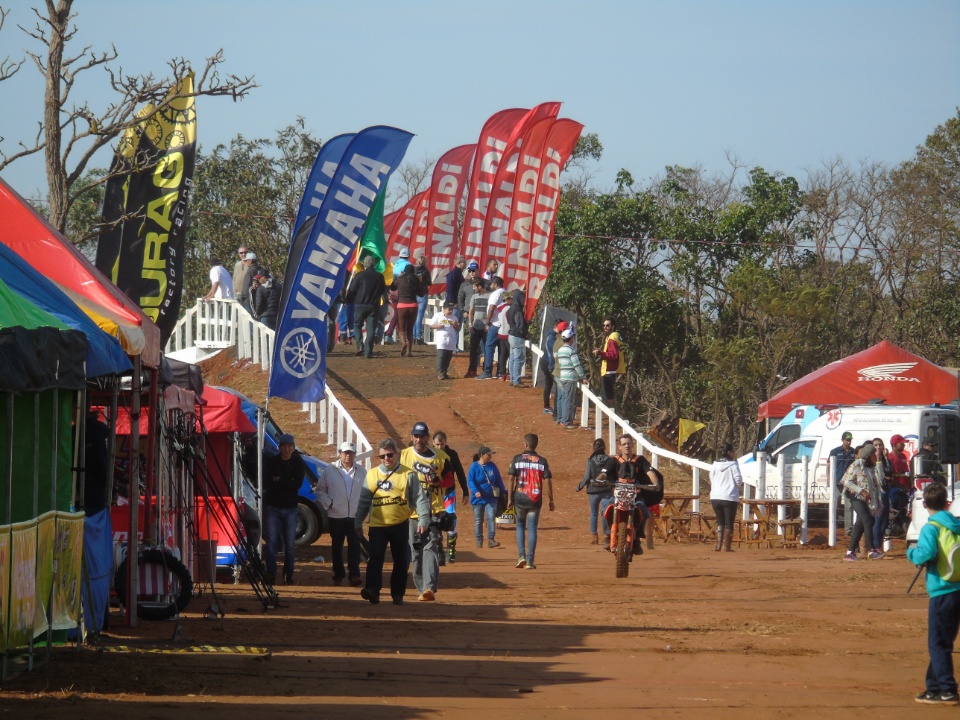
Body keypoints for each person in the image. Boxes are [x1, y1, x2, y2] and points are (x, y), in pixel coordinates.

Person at [355, 438, 430, 606]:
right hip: (377, 524)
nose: (386, 459)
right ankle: (373, 590)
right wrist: (358, 522)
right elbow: (364, 501)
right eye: (382, 456)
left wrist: (424, 519)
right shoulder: (372, 474)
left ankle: (397, 594)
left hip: (400, 524)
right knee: (375, 559)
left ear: (396, 454)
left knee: (401, 561)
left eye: (389, 455)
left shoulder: (408, 474)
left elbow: (420, 499)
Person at [907, 482, 960, 705]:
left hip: (942, 590)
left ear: (925, 503)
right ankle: (934, 687)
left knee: (937, 644)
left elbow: (924, 554)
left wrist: (911, 553)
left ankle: (947, 689)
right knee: (943, 642)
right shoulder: (955, 525)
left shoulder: (931, 528)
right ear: (947, 502)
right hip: (958, 588)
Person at [401, 421, 455, 602]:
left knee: (430, 547)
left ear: (427, 438)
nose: (419, 440)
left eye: (422, 436)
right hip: (412, 513)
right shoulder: (404, 456)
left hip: (434, 510)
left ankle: (429, 588)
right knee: (416, 552)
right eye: (416, 436)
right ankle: (420, 587)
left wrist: (437, 482)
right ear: (411, 437)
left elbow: (450, 480)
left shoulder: (441, 457)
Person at [316, 441, 365, 587]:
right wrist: (330, 504)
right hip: (336, 516)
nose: (348, 456)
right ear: (340, 453)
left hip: (354, 516)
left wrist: (362, 510)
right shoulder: (330, 470)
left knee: (354, 547)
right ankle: (338, 574)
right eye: (345, 453)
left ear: (355, 454)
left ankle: (354, 575)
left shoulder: (362, 471)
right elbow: (320, 490)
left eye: (351, 453)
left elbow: (367, 492)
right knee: (337, 547)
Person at [262, 433, 307, 585]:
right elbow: (269, 482)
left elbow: (297, 484)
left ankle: (289, 574)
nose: (287, 449)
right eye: (284, 446)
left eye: (289, 446)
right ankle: (271, 572)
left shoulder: (298, 463)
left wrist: (280, 480)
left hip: (290, 508)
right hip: (273, 507)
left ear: (293, 448)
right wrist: (287, 481)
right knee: (271, 541)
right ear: (280, 447)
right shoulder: (273, 462)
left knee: (290, 544)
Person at [508, 433, 554, 570]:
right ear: (536, 445)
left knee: (520, 526)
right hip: (535, 499)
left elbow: (511, 479)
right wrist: (551, 499)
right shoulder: (542, 461)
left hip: (520, 497)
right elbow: (548, 481)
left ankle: (521, 555)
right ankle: (530, 561)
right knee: (532, 528)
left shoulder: (517, 459)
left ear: (525, 444)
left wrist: (509, 498)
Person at [616, 434, 660, 549]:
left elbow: (650, 472)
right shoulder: (614, 461)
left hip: (636, 496)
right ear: (619, 446)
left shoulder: (640, 460)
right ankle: (607, 535)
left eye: (629, 443)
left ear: (633, 445)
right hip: (617, 496)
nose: (627, 446)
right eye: (624, 444)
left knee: (643, 510)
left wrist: (655, 483)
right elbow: (605, 473)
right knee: (606, 508)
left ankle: (638, 535)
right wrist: (600, 479)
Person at [842, 443, 884, 561]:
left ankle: (850, 552)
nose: (877, 455)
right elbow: (847, 481)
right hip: (855, 497)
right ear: (869, 455)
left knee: (860, 524)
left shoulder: (870, 468)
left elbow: (880, 479)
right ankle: (872, 551)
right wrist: (862, 491)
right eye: (875, 454)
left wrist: (879, 462)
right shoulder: (856, 465)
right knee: (868, 520)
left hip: (865, 499)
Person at [433, 430, 469, 563]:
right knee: (434, 519)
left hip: (449, 492)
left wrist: (465, 492)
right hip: (434, 494)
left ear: (445, 443)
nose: (439, 447)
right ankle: (437, 548)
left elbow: (460, 473)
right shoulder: (429, 454)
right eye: (437, 444)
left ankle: (451, 550)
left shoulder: (452, 454)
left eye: (441, 444)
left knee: (450, 519)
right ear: (433, 443)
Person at [576, 438, 618, 545]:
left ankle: (594, 536)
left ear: (593, 448)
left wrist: (580, 486)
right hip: (606, 489)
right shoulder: (609, 460)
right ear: (604, 447)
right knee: (605, 513)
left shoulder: (590, 461)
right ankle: (607, 534)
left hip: (593, 490)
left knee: (594, 513)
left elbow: (586, 477)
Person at [346, 256, 386, 358]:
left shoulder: (359, 275)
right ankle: (368, 351)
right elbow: (382, 291)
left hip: (359, 305)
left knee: (357, 325)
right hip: (373, 306)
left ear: (365, 265)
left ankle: (360, 346)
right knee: (371, 329)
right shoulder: (380, 276)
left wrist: (348, 300)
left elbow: (352, 290)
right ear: (374, 265)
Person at [468, 445, 507, 549]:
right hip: (478, 499)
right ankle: (479, 541)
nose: (490, 456)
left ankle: (491, 539)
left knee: (491, 517)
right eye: (488, 454)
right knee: (478, 520)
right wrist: (475, 491)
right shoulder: (474, 467)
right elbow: (470, 481)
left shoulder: (492, 466)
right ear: (482, 455)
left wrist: (503, 492)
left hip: (491, 498)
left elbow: (498, 480)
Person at [710, 443, 743, 552]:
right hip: (729, 496)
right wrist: (737, 487)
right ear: (729, 453)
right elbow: (738, 479)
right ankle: (727, 546)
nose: (735, 454)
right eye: (734, 451)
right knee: (729, 522)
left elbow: (711, 478)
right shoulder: (733, 465)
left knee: (720, 521)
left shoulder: (714, 464)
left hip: (715, 496)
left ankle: (719, 545)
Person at [555, 327, 587, 428]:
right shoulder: (571, 350)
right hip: (570, 378)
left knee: (564, 398)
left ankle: (562, 419)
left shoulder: (560, 350)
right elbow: (577, 365)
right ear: (571, 338)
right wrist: (583, 377)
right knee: (569, 400)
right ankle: (566, 422)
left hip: (562, 377)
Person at [593, 316, 625, 412]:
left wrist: (600, 353)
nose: (605, 327)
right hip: (613, 369)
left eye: (607, 325)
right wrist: (602, 352)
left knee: (608, 397)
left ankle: (611, 418)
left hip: (609, 370)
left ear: (613, 326)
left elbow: (614, 355)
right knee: (609, 395)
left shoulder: (612, 338)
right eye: (604, 325)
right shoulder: (617, 336)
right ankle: (612, 417)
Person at [829, 431, 857, 535]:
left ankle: (848, 529)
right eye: (847, 440)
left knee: (849, 505)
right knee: (835, 505)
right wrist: (829, 478)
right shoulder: (835, 451)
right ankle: (833, 527)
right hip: (836, 482)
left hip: (848, 483)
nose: (849, 442)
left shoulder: (853, 452)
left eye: (850, 440)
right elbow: (829, 465)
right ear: (842, 440)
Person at [478, 276, 504, 379]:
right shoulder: (506, 293)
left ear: (496, 284)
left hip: (495, 323)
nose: (490, 286)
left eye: (492, 284)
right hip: (504, 325)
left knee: (489, 347)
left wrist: (488, 321)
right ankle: (500, 372)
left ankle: (487, 371)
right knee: (502, 349)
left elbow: (492, 308)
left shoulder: (495, 294)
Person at [393, 263, 422, 357]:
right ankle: (409, 352)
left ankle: (403, 343)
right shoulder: (415, 280)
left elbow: (392, 287)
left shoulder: (400, 279)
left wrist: (398, 276)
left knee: (401, 329)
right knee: (410, 329)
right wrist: (420, 281)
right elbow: (421, 293)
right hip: (413, 305)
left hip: (402, 305)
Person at [538, 320, 566, 415]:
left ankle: (547, 407)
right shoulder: (552, 338)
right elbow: (552, 354)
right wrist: (552, 367)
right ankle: (556, 410)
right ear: (556, 326)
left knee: (548, 385)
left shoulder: (550, 335)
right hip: (549, 364)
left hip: (545, 362)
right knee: (557, 385)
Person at [430, 301, 460, 380]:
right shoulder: (438, 315)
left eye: (451, 310)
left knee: (448, 357)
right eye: (449, 309)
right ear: (444, 309)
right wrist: (438, 326)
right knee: (441, 356)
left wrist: (455, 324)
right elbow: (432, 325)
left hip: (451, 339)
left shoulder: (454, 317)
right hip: (441, 339)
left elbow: (457, 328)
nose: (450, 311)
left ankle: (445, 372)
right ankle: (440, 372)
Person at [872, 437, 893, 551]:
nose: (878, 447)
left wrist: (885, 457)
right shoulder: (871, 460)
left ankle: (878, 543)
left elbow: (890, 472)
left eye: (880, 444)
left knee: (885, 521)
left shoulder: (886, 460)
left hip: (886, 490)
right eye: (875, 445)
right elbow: (877, 476)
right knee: (879, 520)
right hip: (877, 492)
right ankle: (877, 546)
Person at [465, 277, 489, 378]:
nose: (473, 288)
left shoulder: (490, 296)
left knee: (487, 349)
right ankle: (472, 370)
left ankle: (486, 370)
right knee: (473, 349)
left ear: (480, 286)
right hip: (475, 327)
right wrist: (470, 324)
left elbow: (493, 311)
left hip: (486, 327)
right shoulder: (474, 296)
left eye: (475, 286)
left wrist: (488, 324)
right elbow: (471, 311)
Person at [507, 288, 528, 386]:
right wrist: (526, 333)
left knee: (512, 358)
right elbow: (520, 325)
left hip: (511, 335)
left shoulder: (511, 307)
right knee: (518, 358)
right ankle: (516, 380)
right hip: (517, 336)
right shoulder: (518, 309)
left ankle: (512, 378)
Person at [412, 255, 431, 345]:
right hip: (423, 294)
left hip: (414, 294)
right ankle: (418, 337)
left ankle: (412, 336)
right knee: (419, 317)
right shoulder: (426, 271)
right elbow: (429, 283)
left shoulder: (413, 270)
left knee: (414, 316)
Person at [494, 290, 512, 381]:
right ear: (508, 299)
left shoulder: (499, 308)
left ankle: (502, 373)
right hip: (508, 333)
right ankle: (509, 374)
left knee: (502, 355)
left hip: (501, 333)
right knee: (510, 355)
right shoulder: (509, 308)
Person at [457, 261, 479, 326]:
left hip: (481, 313)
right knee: (471, 333)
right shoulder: (464, 284)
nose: (471, 273)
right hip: (468, 313)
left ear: (478, 270)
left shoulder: (484, 283)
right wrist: (462, 311)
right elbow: (460, 298)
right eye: (469, 271)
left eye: (473, 270)